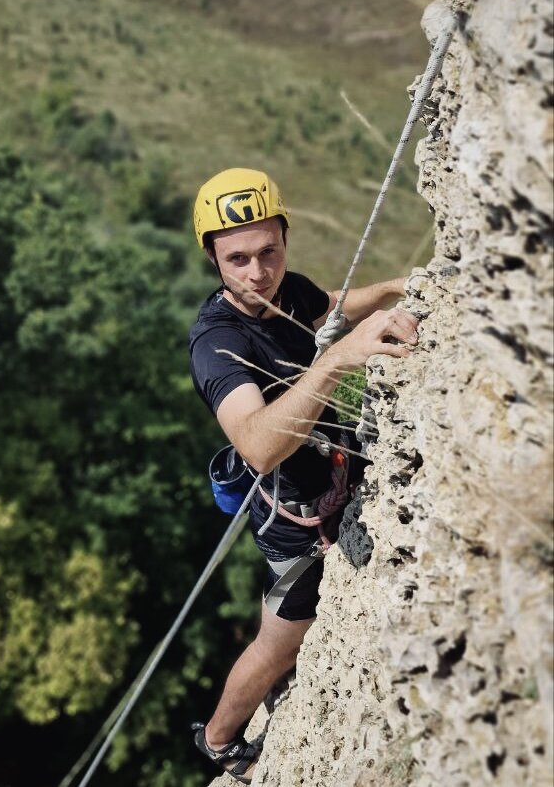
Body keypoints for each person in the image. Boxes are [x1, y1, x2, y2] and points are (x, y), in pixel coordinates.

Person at [188, 168, 418, 783]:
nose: (258, 273)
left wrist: (398, 287)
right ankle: (217, 738)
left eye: (270, 251)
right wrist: (342, 357)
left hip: (336, 478)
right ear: (212, 259)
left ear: (285, 240)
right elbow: (260, 446)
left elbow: (330, 312)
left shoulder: (288, 291)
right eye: (237, 258)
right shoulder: (216, 344)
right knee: (281, 640)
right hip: (291, 516)